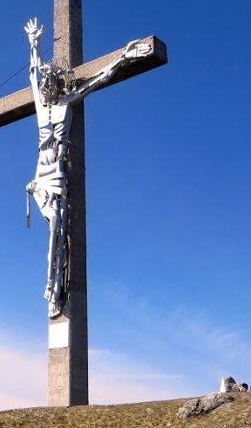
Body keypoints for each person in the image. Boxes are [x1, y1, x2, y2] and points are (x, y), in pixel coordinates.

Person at [23, 18, 154, 317]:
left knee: (57, 223)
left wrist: (124, 55)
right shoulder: (41, 106)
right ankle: (51, 285)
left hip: (58, 172)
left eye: (49, 83)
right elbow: (32, 72)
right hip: (41, 174)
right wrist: (34, 43)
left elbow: (99, 79)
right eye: (43, 84)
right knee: (53, 228)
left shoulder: (67, 102)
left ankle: (53, 287)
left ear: (57, 83)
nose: (44, 87)